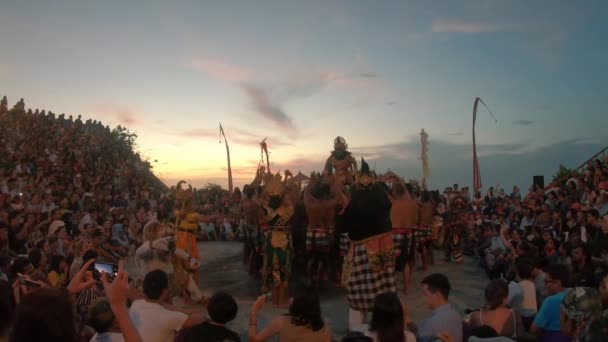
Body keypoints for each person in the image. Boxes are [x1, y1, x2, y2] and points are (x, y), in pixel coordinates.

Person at [336, 159, 396, 331]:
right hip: (385, 247)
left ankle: (357, 330)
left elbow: (341, 227)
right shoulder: (382, 195)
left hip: (363, 251)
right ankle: (384, 326)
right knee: (384, 287)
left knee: (357, 294)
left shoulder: (353, 201)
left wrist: (343, 208)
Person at [128, 270, 205, 342]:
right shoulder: (169, 316)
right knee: (193, 329)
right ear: (165, 291)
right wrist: (182, 312)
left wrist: (181, 312)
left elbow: (162, 305)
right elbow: (201, 318)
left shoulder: (136, 304)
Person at [258, 171, 296, 307]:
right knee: (284, 271)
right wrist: (285, 186)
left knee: (273, 269)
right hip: (284, 242)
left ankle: (275, 301)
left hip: (271, 241)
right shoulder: (287, 210)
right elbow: (290, 200)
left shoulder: (265, 209)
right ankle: (281, 301)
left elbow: (262, 202)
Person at [248, 284, 331, 342]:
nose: (290, 299)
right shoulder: (324, 329)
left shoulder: (282, 322)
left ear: (300, 305)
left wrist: (254, 311)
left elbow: (254, 339)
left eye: (293, 297)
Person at [389, 181, 419, 294]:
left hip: (395, 233)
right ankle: (407, 288)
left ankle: (392, 286)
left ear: (395, 193)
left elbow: (379, 189)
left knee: (391, 261)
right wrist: (398, 179)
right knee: (405, 261)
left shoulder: (392, 203)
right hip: (409, 233)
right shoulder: (413, 203)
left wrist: (384, 178)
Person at [530, 264, 571, 342]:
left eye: (546, 281)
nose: (545, 285)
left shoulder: (550, 301)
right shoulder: (574, 294)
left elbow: (533, 329)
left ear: (557, 283)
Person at [416, 273, 462, 342]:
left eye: (425, 294)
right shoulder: (457, 315)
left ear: (437, 295)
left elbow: (416, 338)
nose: (423, 298)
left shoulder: (430, 323)